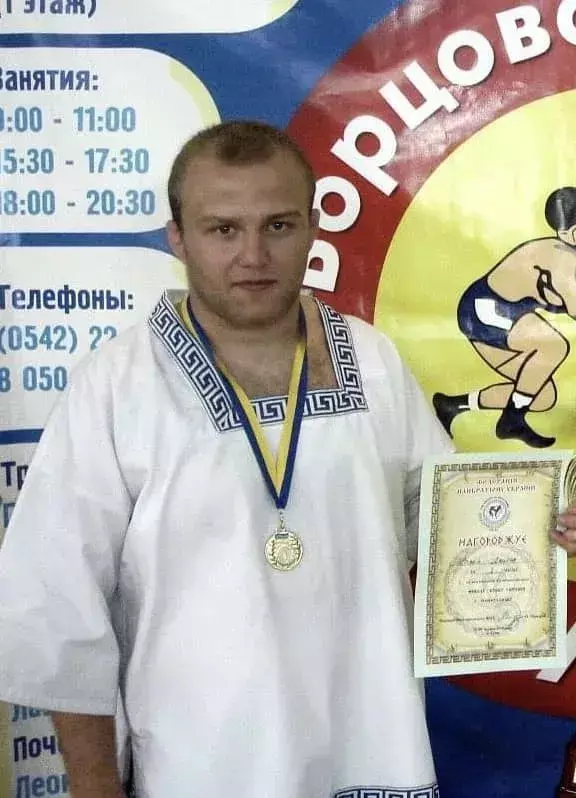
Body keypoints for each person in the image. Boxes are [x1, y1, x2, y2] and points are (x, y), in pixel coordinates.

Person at [0, 121, 573, 798]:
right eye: (223, 229)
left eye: (277, 225)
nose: (253, 255)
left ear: (312, 228)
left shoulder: (372, 359)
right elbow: (60, 602)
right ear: (178, 237)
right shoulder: (118, 386)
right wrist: (95, 784)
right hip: (201, 766)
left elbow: (444, 524)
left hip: (375, 751)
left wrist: (545, 528)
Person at [433, 186, 576, 449]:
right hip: (485, 309)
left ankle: (452, 406)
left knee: (542, 396)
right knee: (554, 346)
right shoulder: (565, 259)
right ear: (569, 234)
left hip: (501, 311)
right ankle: (512, 419)